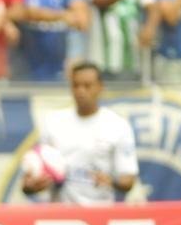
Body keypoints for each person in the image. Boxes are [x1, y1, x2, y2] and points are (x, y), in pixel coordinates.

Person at [22, 62, 138, 205]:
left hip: (100, 211)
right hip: (61, 215)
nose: (80, 91)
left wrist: (111, 181)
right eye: (76, 85)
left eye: (87, 86)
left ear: (100, 87)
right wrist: (30, 186)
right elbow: (36, 172)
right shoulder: (53, 122)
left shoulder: (117, 125)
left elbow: (128, 179)